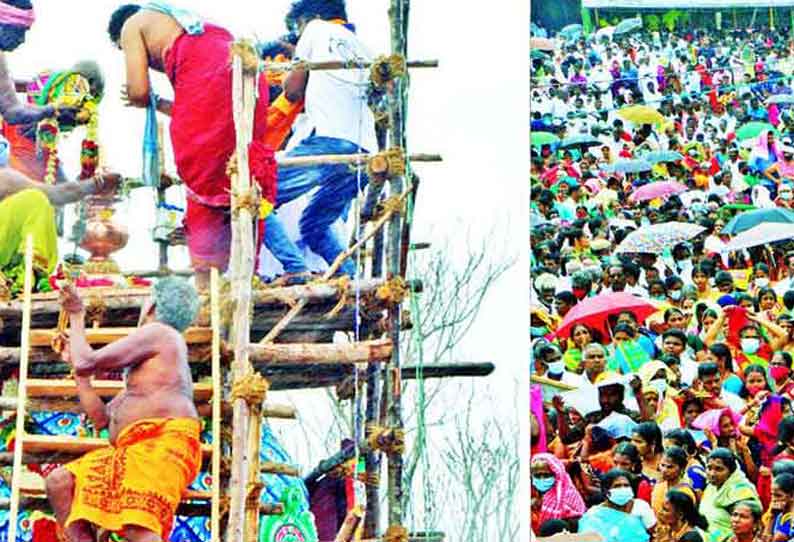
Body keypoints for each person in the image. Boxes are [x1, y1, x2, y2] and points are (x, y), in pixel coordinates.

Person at [107, 4, 276, 290]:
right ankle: (244, 277)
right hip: (245, 74)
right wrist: (159, 103)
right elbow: (197, 111)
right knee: (242, 171)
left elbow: (138, 90)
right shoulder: (179, 21)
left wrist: (138, 99)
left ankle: (205, 285)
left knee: (202, 170)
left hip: (215, 78)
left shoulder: (132, 25)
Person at [45, 278, 202, 542]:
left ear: (151, 305)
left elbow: (87, 361)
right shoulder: (143, 379)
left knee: (137, 526)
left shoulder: (160, 332)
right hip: (129, 453)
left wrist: (76, 314)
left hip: (160, 445)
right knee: (59, 483)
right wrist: (79, 374)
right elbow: (101, 419)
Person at [263, 0, 377, 280]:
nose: (298, 34)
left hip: (330, 141)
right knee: (315, 224)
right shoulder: (363, 48)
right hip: (365, 151)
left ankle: (295, 268)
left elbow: (292, 91)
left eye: (297, 27)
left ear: (311, 17)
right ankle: (350, 277)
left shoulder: (315, 29)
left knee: (256, 196)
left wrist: (286, 74)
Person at [0, 163, 118, 295]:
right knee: (35, 199)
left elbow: (60, 194)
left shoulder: (5, 178)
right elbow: (60, 194)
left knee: (36, 199)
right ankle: (28, 276)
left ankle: (29, 276)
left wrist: (96, 184)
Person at [699, 448, 761, 542]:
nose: (712, 474)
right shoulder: (711, 487)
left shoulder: (740, 491)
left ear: (731, 471)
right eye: (709, 468)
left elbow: (746, 525)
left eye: (719, 469)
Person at [578, 468, 653, 542]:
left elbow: (652, 533)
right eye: (617, 486)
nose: (622, 489)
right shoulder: (593, 516)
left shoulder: (639, 508)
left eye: (626, 485)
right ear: (606, 491)